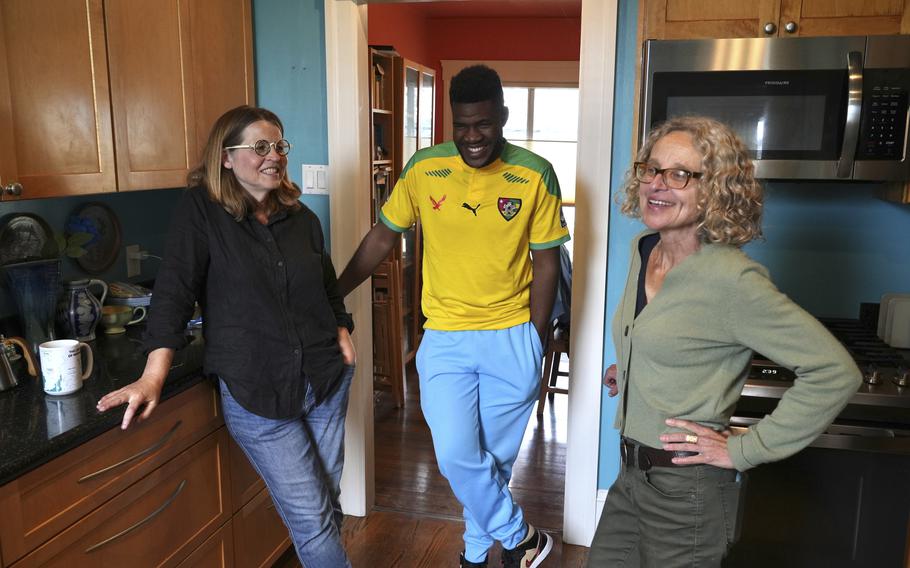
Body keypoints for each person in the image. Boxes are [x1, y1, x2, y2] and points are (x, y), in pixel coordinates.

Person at [587, 116, 862, 567]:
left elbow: (836, 372)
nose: (657, 184)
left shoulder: (732, 279)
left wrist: (741, 450)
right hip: (631, 475)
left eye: (680, 174)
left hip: (685, 492)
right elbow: (670, 334)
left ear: (714, 190)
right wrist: (635, 370)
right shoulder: (644, 248)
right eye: (652, 169)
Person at [96, 106, 356, 567]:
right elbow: (173, 292)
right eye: (260, 147)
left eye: (279, 145)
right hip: (258, 392)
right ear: (226, 157)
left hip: (325, 380)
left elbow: (326, 281)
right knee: (313, 520)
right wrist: (153, 375)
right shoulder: (202, 213)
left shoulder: (301, 218)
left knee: (326, 502)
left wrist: (341, 328)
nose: (274, 155)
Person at [337, 65, 568, 568]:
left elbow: (547, 260)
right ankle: (523, 537)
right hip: (444, 337)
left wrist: (537, 336)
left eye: (482, 125)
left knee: (494, 464)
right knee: (457, 457)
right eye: (461, 126)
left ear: (502, 118)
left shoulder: (535, 172)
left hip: (512, 335)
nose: (471, 138)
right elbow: (383, 235)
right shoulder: (424, 168)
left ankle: (475, 553)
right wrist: (336, 293)